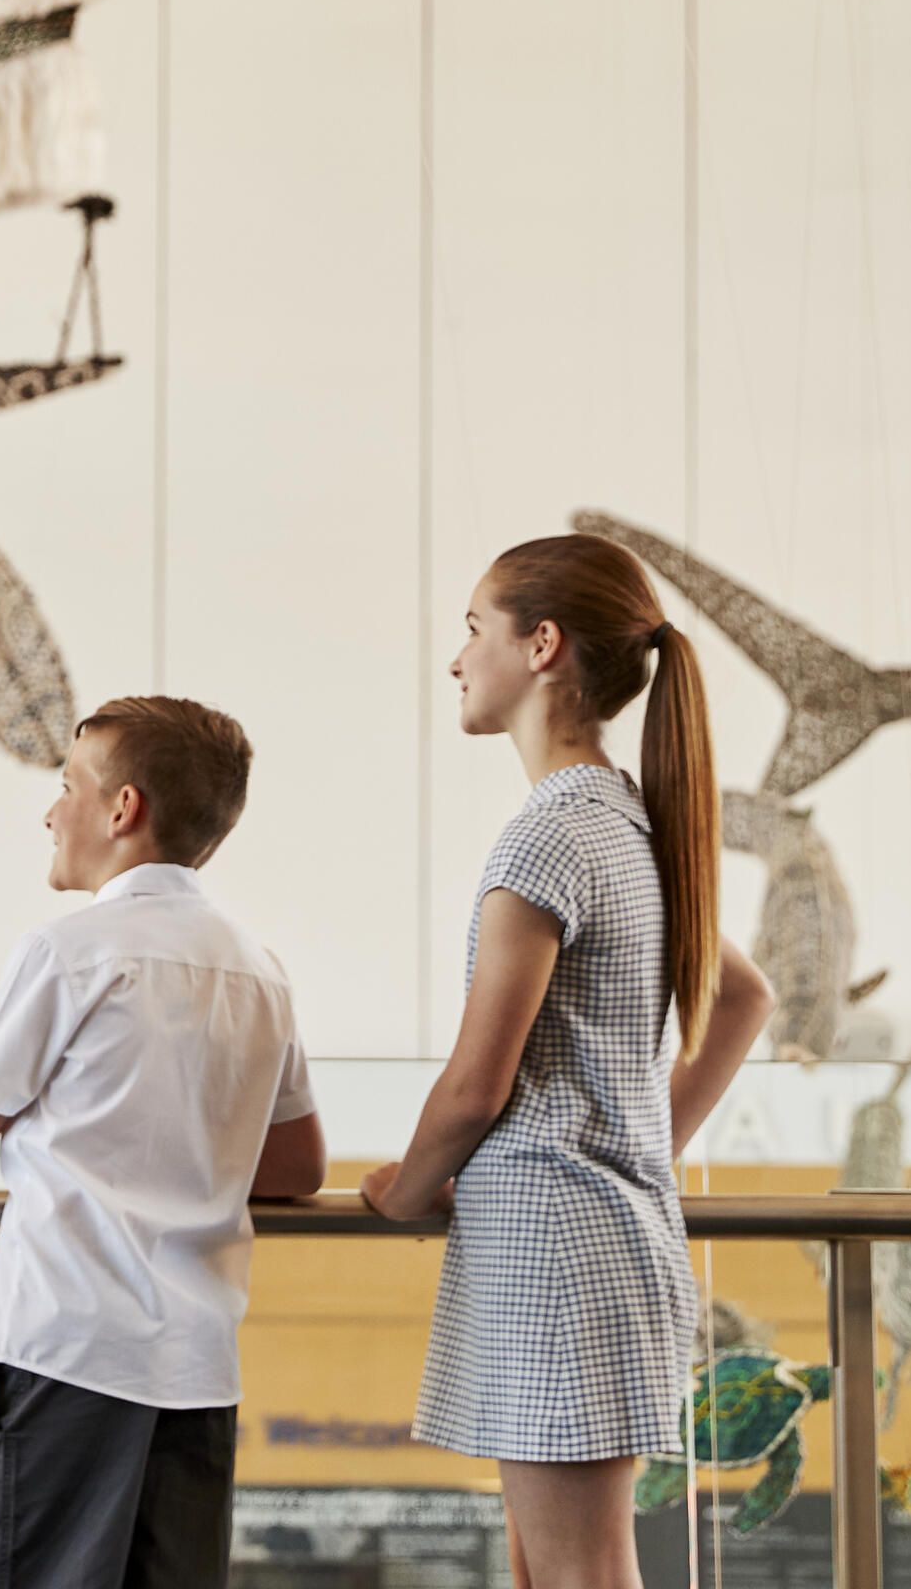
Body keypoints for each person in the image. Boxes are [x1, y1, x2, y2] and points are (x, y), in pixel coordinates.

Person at [363, 534, 774, 1589]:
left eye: (472, 628)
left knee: (579, 1576)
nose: (455, 658)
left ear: (542, 644)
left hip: (556, 1249)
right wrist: (638, 1140)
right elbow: (743, 998)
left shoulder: (548, 837)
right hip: (592, 1234)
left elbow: (474, 1084)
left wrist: (402, 1190)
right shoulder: (629, 821)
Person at [0, 695, 327, 1588]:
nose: (52, 811)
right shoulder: (258, 969)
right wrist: (191, 1150)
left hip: (62, 1350)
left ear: (122, 808)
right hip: (194, 1369)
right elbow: (298, 1167)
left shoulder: (70, 952)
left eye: (67, 786)